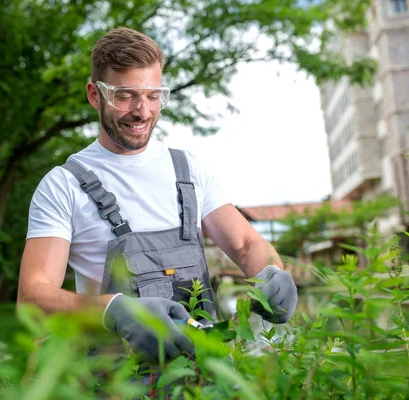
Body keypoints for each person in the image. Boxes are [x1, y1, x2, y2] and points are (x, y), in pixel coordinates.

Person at [17, 27, 297, 366]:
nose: (143, 111)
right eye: (124, 95)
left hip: (203, 380)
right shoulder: (63, 186)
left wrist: (270, 271)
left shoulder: (190, 170)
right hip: (117, 383)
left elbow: (245, 245)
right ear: (94, 95)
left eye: (153, 95)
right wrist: (114, 310)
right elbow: (33, 297)